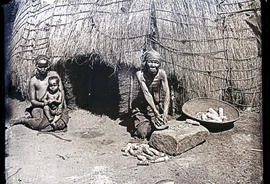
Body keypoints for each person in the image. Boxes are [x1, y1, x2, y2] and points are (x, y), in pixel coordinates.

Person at [9, 55, 69, 131]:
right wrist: (44, 104)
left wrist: (61, 106)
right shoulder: (33, 81)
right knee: (38, 124)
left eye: (45, 66)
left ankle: (50, 125)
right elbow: (33, 101)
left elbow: (61, 91)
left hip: (56, 105)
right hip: (39, 106)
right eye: (40, 67)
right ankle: (23, 120)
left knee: (61, 122)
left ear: (49, 65)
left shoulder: (54, 75)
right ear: (36, 66)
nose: (43, 69)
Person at [131, 49, 170, 139]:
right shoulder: (140, 74)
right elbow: (146, 93)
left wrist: (165, 112)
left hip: (155, 106)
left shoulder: (162, 74)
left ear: (159, 64)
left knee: (162, 125)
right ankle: (138, 122)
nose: (153, 65)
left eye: (156, 62)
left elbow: (167, 92)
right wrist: (156, 113)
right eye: (150, 62)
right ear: (146, 62)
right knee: (143, 133)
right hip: (141, 107)